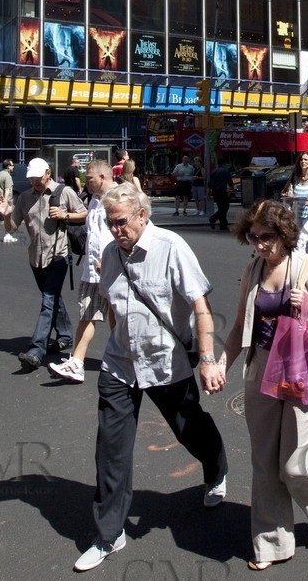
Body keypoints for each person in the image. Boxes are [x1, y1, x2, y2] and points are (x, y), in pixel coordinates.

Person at [74, 183, 228, 572]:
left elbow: (201, 305)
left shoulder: (172, 247)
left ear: (142, 215)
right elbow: (112, 306)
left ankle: (216, 470)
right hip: (119, 365)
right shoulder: (111, 254)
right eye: (109, 223)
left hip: (165, 363)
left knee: (188, 428)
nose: (115, 230)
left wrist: (208, 358)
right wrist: (117, 339)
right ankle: (110, 534)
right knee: (111, 450)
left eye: (121, 222)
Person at [217, 199, 308, 569]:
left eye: (267, 237)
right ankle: (271, 544)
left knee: (294, 466)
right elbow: (239, 326)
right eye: (253, 237)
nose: (260, 244)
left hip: (302, 371)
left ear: (285, 234)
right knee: (263, 463)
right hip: (261, 369)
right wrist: (221, 365)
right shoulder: (253, 269)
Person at [6, 157, 87, 370]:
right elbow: (11, 227)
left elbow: (84, 213)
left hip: (58, 255)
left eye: (37, 178)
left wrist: (65, 214)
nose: (34, 182)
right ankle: (66, 335)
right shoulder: (24, 198)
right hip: (36, 257)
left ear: (48, 173)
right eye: (31, 179)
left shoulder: (63, 192)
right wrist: (5, 214)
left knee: (48, 301)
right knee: (52, 298)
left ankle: (36, 350)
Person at [49, 160, 115, 383]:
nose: (86, 182)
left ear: (103, 178)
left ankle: (124, 357)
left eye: (90, 178)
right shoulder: (95, 201)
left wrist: (110, 258)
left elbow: (129, 231)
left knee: (118, 316)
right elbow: (91, 226)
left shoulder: (118, 197)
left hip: (113, 268)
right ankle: (76, 363)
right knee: (87, 314)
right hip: (92, 268)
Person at [0, 159, 16, 242]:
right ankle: (7, 235)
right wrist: (5, 201)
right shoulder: (7, 176)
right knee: (9, 218)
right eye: (12, 165)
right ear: (8, 166)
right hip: (6, 200)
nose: (13, 167)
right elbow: (7, 190)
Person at [208, 159, 234, 230]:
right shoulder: (225, 171)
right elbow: (230, 181)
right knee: (225, 207)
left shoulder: (214, 171)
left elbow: (210, 183)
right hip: (222, 190)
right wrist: (232, 189)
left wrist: (209, 191)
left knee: (221, 207)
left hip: (215, 191)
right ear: (224, 164)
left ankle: (223, 224)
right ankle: (213, 218)